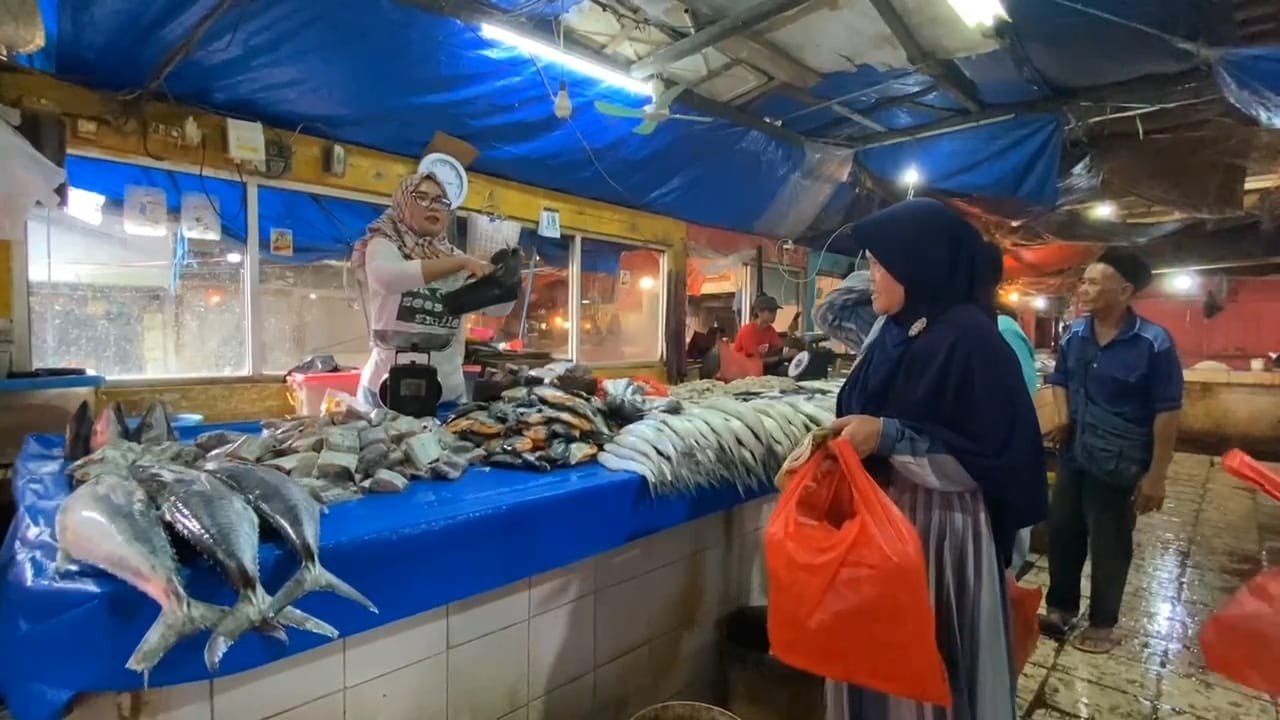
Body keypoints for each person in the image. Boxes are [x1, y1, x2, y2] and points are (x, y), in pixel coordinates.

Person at [826, 199, 1048, 719]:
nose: (871, 275)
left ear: (918, 262)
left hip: (938, 536)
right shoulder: (897, 333)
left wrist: (889, 436)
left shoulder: (972, 340)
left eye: (881, 262)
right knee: (876, 664)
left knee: (927, 662)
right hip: (882, 527)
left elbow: (997, 454)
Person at [1040, 249, 1183, 654]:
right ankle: (1060, 608)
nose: (1083, 289)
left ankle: (1103, 623)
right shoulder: (1074, 335)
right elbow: (1060, 378)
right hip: (1074, 453)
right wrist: (1063, 417)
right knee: (1064, 531)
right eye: (1082, 281)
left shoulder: (1153, 343)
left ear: (1124, 290)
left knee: (1110, 541)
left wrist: (1157, 474)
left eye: (1092, 282)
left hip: (1119, 459)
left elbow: (1167, 411)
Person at [351, 169, 511, 410]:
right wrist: (461, 263)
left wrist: (506, 280)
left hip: (446, 395)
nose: (433, 206)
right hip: (385, 394)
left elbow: (498, 308)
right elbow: (389, 279)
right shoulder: (383, 244)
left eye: (440, 201)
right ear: (403, 203)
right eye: (422, 197)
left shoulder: (455, 257)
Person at [733, 294, 797, 371]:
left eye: (775, 311)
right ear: (759, 312)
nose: (775, 314)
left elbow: (781, 348)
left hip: (759, 369)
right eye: (771, 311)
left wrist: (791, 335)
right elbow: (755, 362)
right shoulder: (747, 331)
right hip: (744, 371)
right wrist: (782, 357)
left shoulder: (770, 330)